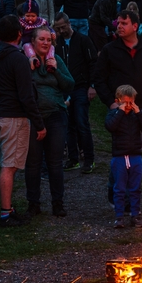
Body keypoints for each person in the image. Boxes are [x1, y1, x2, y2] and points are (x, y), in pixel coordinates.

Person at [0, 16, 46, 226]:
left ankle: (8, 208)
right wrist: (39, 123)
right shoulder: (18, 58)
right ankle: (5, 214)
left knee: (6, 164)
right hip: (14, 118)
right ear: (20, 34)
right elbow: (26, 96)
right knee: (9, 167)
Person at [24, 26, 74, 218]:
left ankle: (57, 203)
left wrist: (56, 72)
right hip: (33, 117)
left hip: (55, 115)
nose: (45, 43)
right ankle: (33, 204)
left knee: (55, 162)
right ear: (33, 42)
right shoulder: (26, 61)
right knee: (33, 162)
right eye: (41, 39)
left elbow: (70, 84)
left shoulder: (57, 60)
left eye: (48, 40)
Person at [54, 13, 98, 173]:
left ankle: (89, 158)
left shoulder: (83, 41)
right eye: (58, 28)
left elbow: (93, 63)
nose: (61, 30)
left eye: (63, 27)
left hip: (81, 87)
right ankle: (73, 158)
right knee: (68, 125)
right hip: (65, 89)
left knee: (81, 123)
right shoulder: (57, 44)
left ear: (68, 24)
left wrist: (92, 85)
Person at [105, 84, 142, 228]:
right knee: (119, 188)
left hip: (135, 156)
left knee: (135, 187)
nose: (128, 105)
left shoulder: (136, 115)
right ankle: (119, 217)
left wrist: (138, 113)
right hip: (119, 156)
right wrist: (119, 112)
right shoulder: (113, 114)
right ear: (118, 101)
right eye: (125, 102)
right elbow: (110, 127)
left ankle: (135, 214)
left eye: (131, 102)